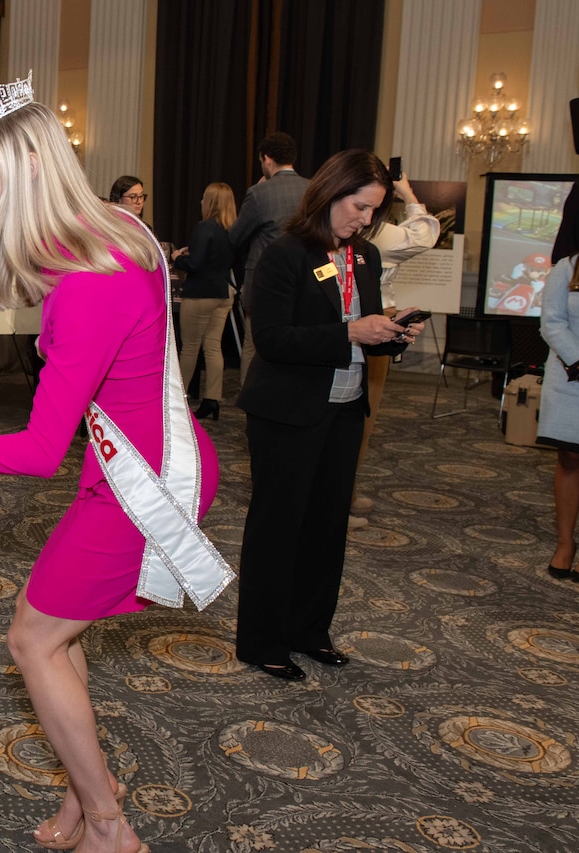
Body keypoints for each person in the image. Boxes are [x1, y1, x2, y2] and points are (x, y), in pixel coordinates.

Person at [0, 75, 232, 853]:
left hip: (139, 483)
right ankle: (88, 793)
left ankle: (111, 826)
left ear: (28, 167)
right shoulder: (118, 229)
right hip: (131, 463)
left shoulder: (88, 281)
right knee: (57, 631)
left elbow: (35, 451)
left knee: (30, 639)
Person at [235, 149, 424, 680]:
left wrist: (391, 333)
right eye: (360, 207)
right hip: (287, 413)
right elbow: (272, 340)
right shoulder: (286, 253)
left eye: (373, 212)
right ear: (331, 194)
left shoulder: (364, 257)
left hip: (343, 412)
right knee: (278, 528)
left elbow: (362, 331)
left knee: (326, 528)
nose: (365, 220)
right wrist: (350, 331)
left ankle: (308, 631)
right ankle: (261, 640)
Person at [348, 172, 441, 530]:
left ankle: (347, 492)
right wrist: (408, 193)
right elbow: (426, 233)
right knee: (361, 421)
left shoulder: (366, 234)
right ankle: (343, 495)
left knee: (354, 421)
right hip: (373, 323)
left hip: (368, 323)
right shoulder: (381, 235)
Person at [228, 132, 310, 385]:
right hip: (304, 278)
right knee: (297, 341)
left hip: (263, 279)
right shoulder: (312, 189)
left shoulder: (259, 193)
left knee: (254, 344)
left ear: (266, 158)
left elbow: (235, 237)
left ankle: (250, 394)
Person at [538, 214, 579, 582]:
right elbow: (552, 322)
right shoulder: (568, 269)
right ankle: (565, 542)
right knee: (572, 458)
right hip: (573, 378)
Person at [171, 182, 237, 420]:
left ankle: (179, 400)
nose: (200, 202)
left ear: (210, 202)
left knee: (189, 347)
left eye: (203, 198)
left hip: (200, 293)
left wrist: (176, 257)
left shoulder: (204, 227)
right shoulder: (233, 229)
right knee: (213, 346)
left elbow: (195, 265)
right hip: (224, 293)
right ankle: (213, 399)